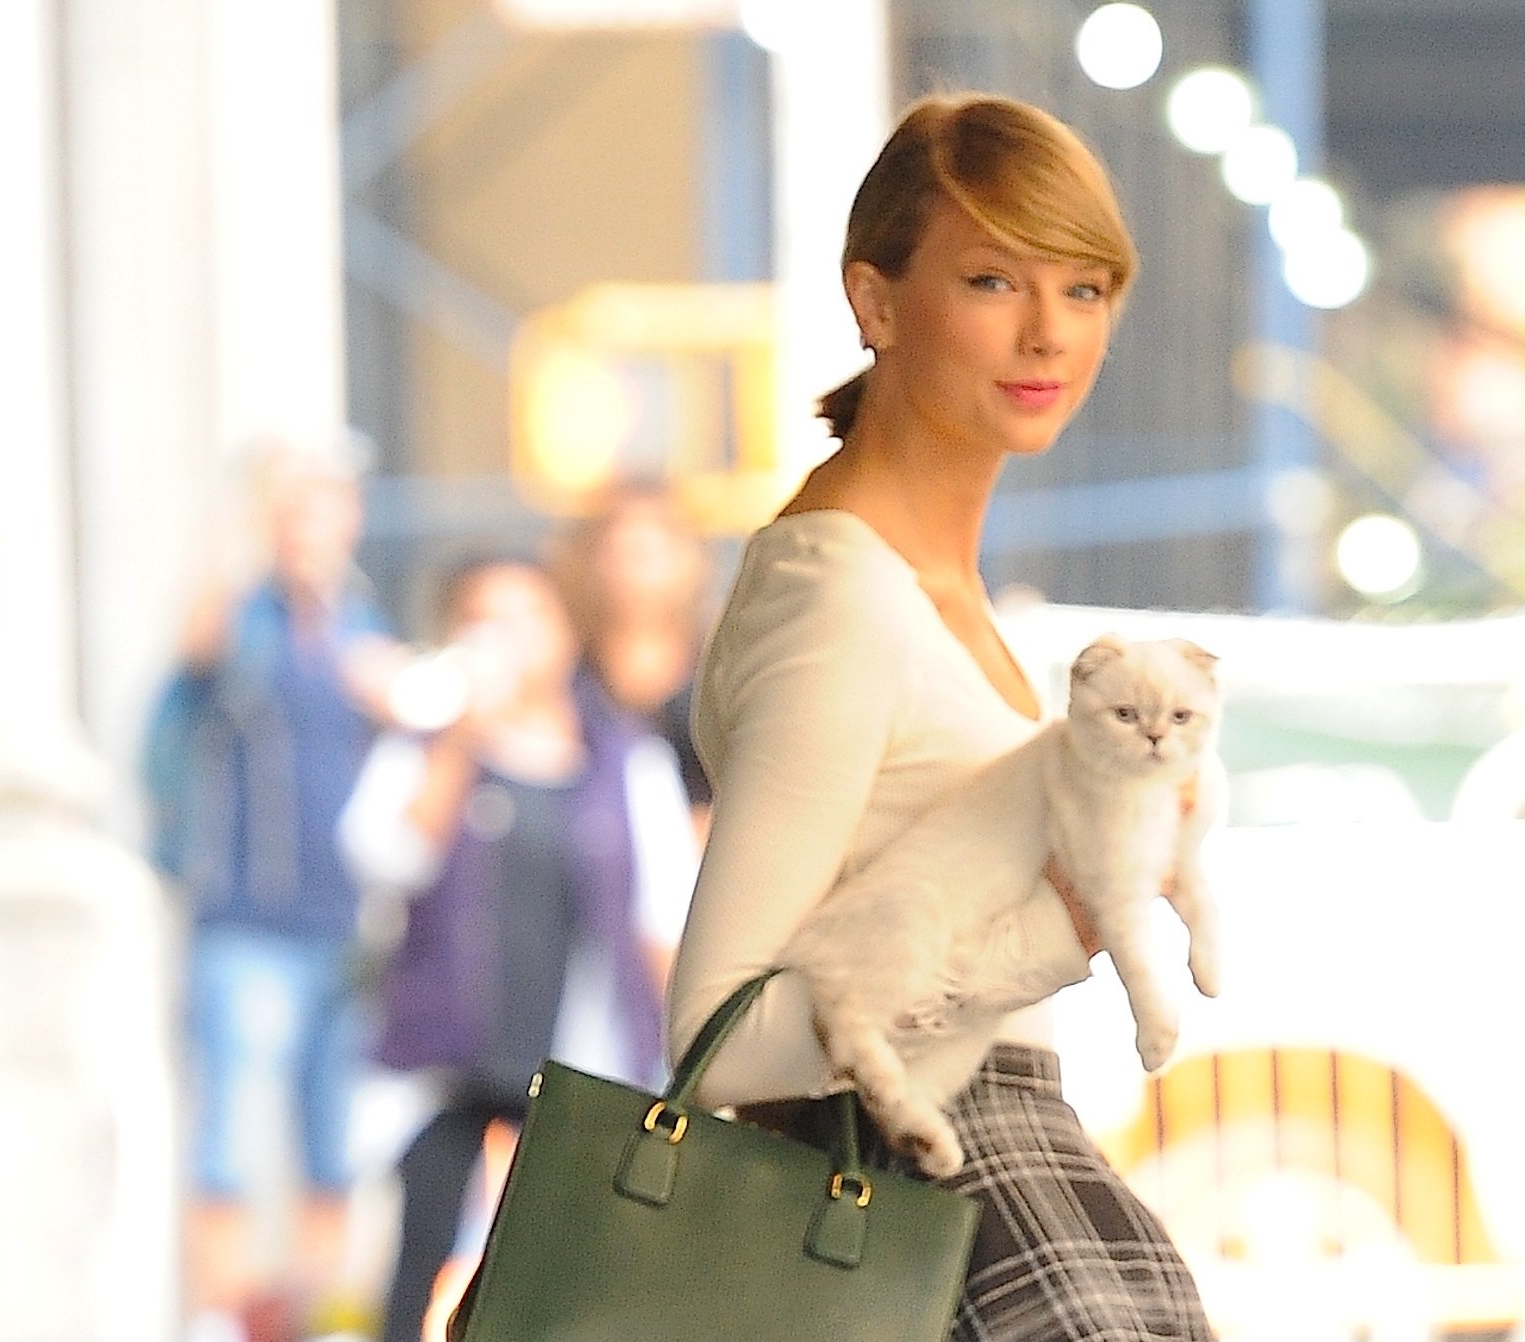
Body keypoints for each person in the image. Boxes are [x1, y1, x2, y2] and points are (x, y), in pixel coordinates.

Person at [666, 92, 1216, 1340]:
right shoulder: (841, 597)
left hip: (995, 1166)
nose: (1045, 335)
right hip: (918, 1191)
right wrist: (1055, 930)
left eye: (1083, 289)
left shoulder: (931, 588)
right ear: (874, 302)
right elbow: (717, 1032)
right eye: (989, 280)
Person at [337, 555, 697, 1342]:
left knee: (554, 1284)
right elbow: (388, 859)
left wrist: (682, 1060)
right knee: (422, 1267)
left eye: (526, 619)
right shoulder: (428, 748)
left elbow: (660, 915)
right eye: (485, 621)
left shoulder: (621, 760)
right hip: (446, 1068)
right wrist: (456, 743)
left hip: (575, 1070)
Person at [142, 435, 396, 1342]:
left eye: (323, 511)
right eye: (293, 514)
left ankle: (325, 1318)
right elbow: (180, 687)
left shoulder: (364, 632)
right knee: (229, 1140)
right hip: (245, 917)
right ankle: (219, 1318)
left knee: (333, 1143)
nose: (308, 532)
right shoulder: (239, 617)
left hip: (345, 927)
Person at [552, 480, 715, 835]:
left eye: (647, 554)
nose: (631, 572)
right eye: (616, 553)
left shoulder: (720, 681)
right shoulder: (565, 685)